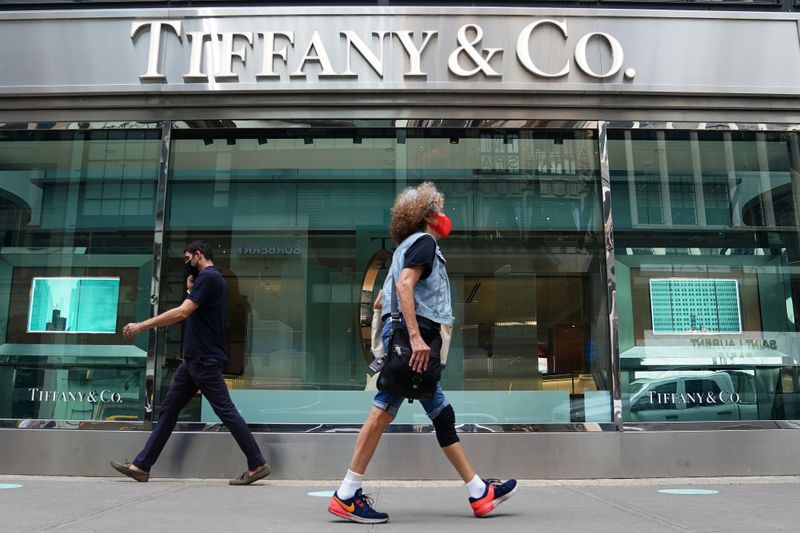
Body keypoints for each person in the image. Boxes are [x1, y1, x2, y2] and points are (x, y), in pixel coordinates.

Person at [328, 182, 517, 524]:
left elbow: (383, 299)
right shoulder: (425, 242)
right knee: (383, 410)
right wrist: (415, 337)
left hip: (408, 336)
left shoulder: (404, 248)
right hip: (417, 339)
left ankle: (478, 492)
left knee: (438, 412)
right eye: (440, 211)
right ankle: (346, 493)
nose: (445, 218)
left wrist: (394, 329)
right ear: (428, 216)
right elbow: (403, 287)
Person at [110, 240, 270, 485]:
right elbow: (199, 313)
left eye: (188, 259)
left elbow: (182, 313)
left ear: (198, 255)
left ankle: (257, 463)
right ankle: (141, 466)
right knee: (169, 411)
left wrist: (141, 325)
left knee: (226, 411)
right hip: (194, 360)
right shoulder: (211, 281)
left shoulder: (209, 277)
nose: (187, 264)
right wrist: (188, 292)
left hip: (203, 359)